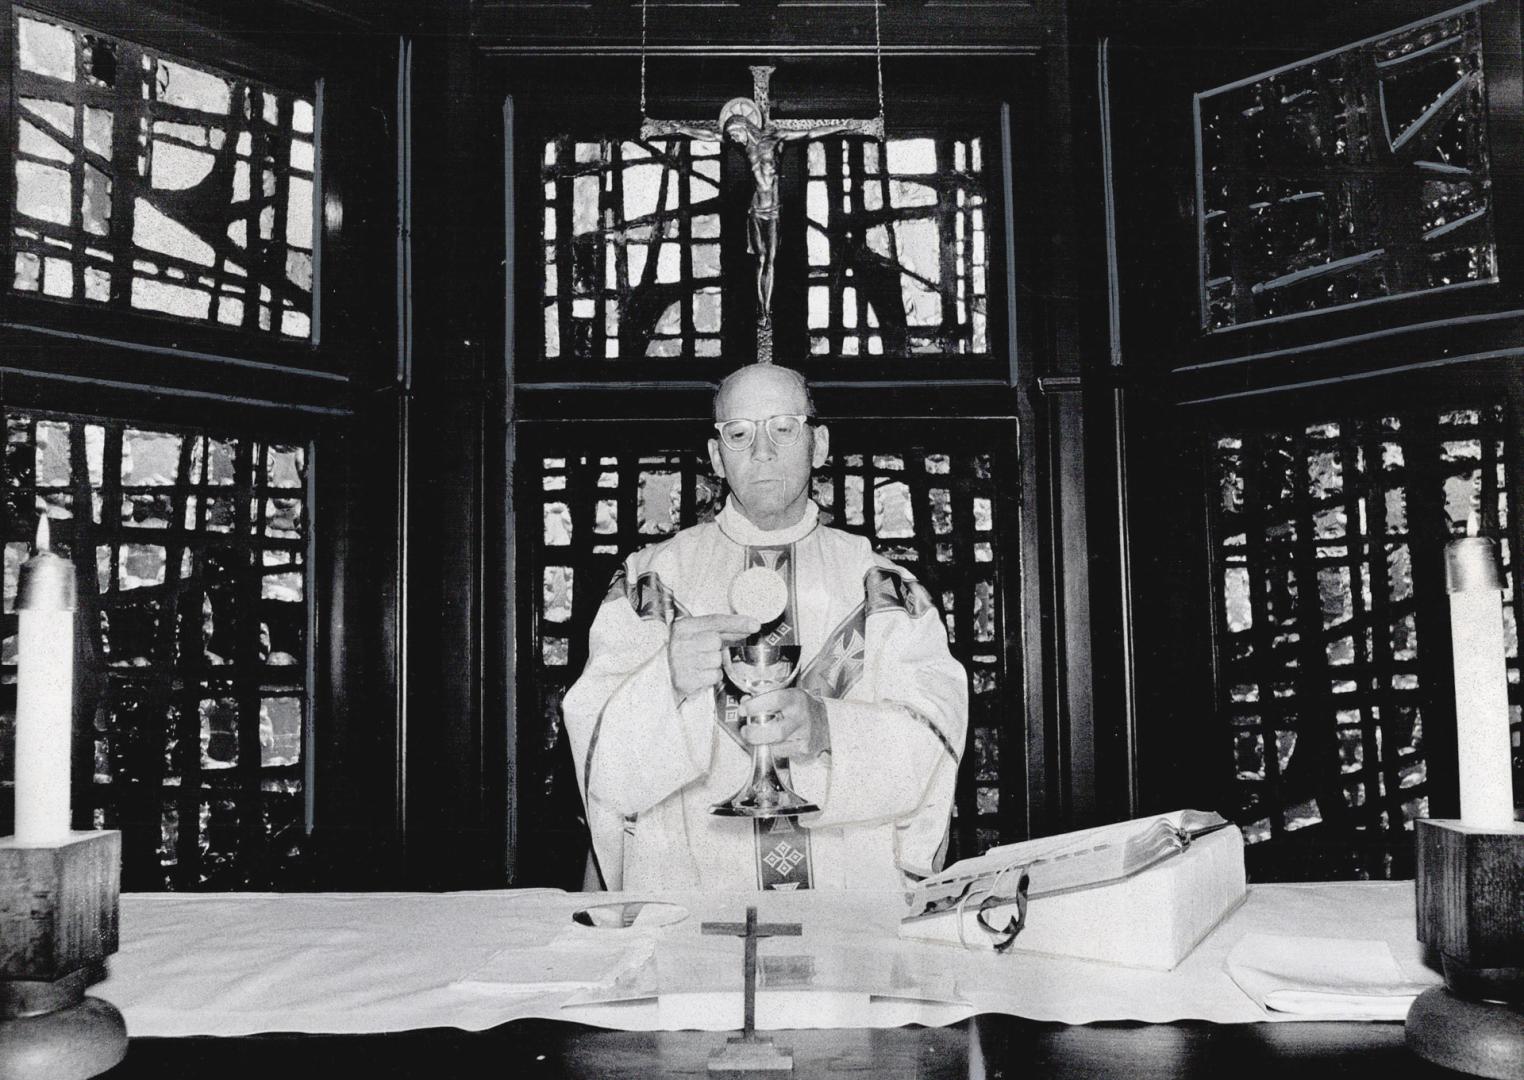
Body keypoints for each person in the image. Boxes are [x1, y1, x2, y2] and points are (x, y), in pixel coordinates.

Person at [562, 362, 967, 891]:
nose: (762, 452)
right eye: (739, 433)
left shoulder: (884, 590)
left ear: (819, 445)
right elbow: (602, 770)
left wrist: (829, 729)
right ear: (715, 456)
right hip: (692, 896)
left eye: (783, 428)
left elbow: (934, 741)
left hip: (848, 905)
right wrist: (666, 682)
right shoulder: (652, 585)